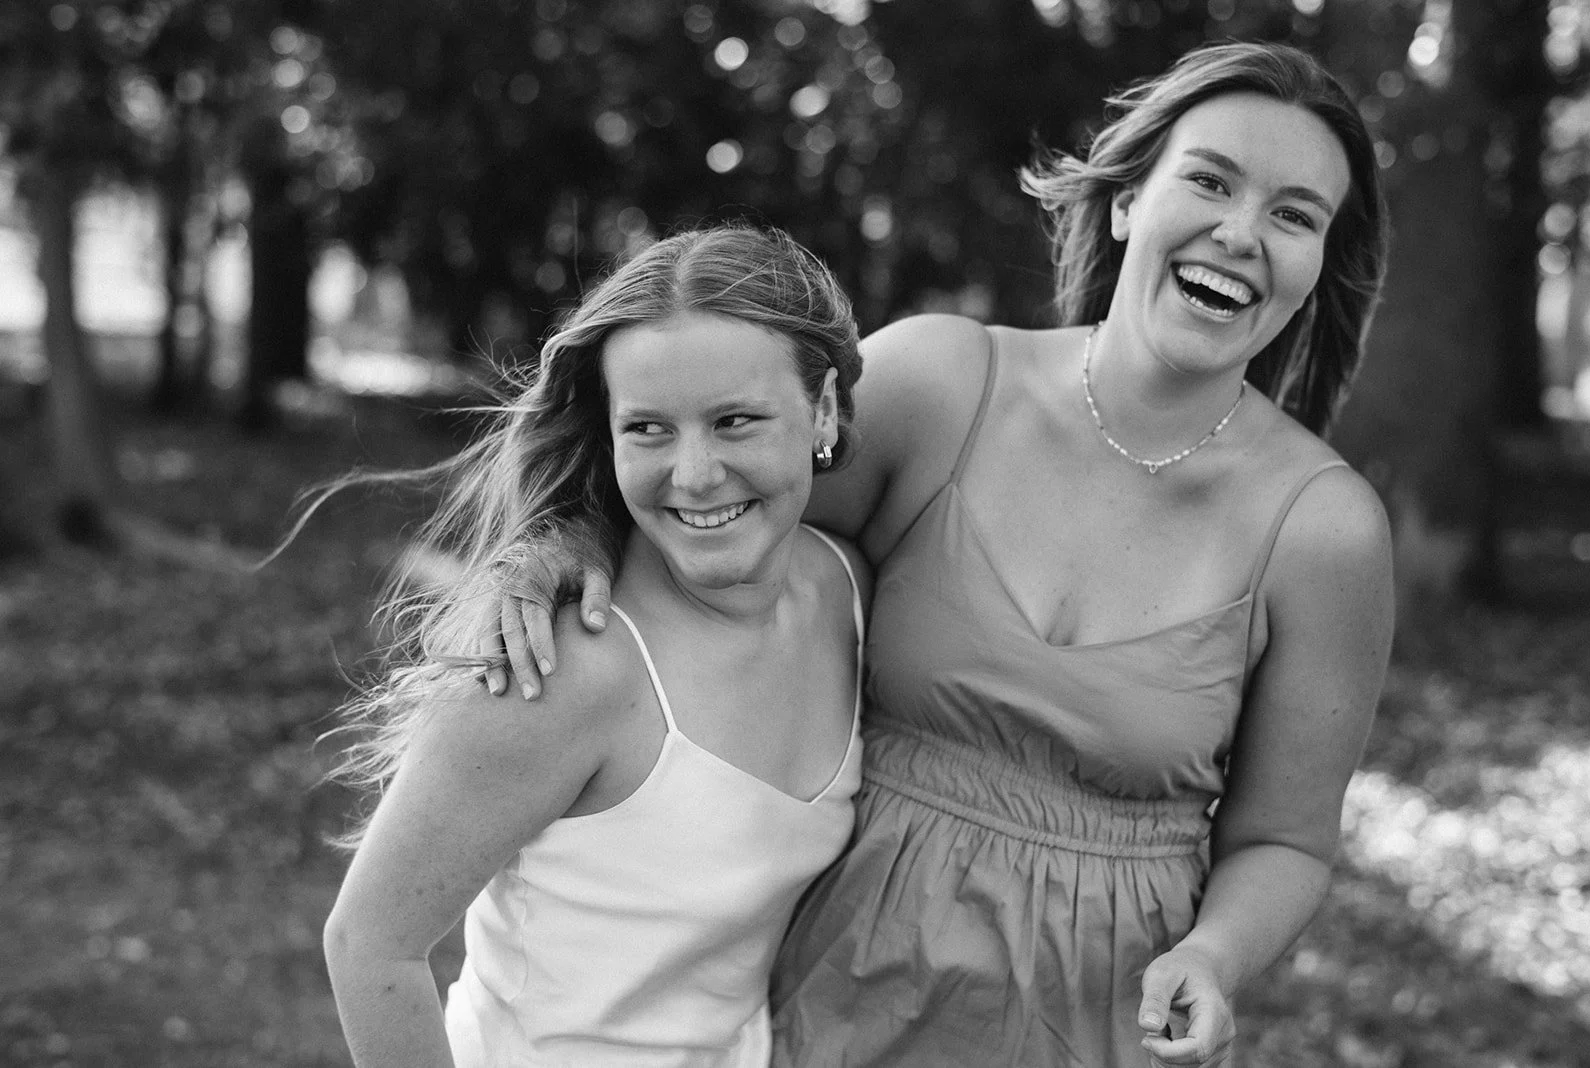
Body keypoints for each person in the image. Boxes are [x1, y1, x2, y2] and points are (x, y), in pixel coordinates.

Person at [484, 41, 1394, 1068]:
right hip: (830, 994)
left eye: (1293, 214)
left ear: (1319, 265)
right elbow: (716, 498)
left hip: (1096, 1026)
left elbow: (1285, 838)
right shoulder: (939, 385)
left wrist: (1218, 956)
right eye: (1210, 180)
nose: (1240, 232)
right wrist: (563, 536)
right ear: (1129, 198)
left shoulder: (1324, 532)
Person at [320, 224, 873, 1067]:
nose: (693, 475)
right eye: (649, 429)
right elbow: (369, 946)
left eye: (735, 421)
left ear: (822, 409)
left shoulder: (848, 592)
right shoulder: (563, 664)